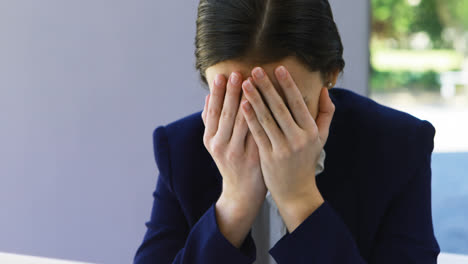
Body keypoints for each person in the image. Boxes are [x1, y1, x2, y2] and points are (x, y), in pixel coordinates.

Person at [133, 0, 441, 263]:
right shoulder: (180, 149)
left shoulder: (398, 147)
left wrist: (299, 199)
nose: (261, 122)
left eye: (284, 105)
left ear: (330, 76)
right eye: (239, 98)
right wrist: (234, 204)